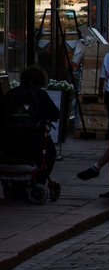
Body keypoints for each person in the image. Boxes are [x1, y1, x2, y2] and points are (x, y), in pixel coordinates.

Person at [1, 65, 61, 200]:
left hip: (8, 144)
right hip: (33, 143)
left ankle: (12, 184)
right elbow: (55, 114)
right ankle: (39, 181)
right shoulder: (40, 94)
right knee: (50, 153)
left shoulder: (11, 94)